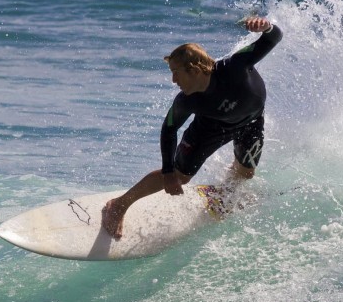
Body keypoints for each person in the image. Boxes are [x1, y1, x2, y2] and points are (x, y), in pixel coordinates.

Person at [102, 16, 283, 239]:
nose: (173, 80)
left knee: (246, 174)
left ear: (195, 69)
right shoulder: (187, 101)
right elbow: (169, 129)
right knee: (180, 176)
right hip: (211, 127)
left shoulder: (234, 66)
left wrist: (265, 26)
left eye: (176, 72)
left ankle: (221, 195)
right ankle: (118, 205)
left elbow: (274, 37)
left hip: (252, 121)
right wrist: (168, 173)